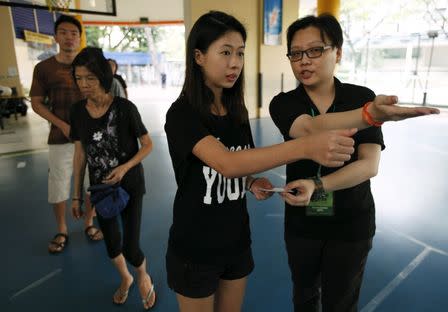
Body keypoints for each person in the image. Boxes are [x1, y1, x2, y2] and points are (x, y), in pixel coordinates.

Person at [164, 11, 366, 312]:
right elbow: (226, 163)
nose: (235, 62)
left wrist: (252, 181)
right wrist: (305, 147)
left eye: (240, 53)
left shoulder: (236, 112)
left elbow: (242, 165)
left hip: (236, 241)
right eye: (225, 52)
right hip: (196, 248)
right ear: (199, 56)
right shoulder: (182, 115)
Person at [269, 14, 439, 312]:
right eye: (296, 53)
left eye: (315, 50)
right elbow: (309, 129)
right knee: (304, 295)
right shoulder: (284, 103)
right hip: (302, 223)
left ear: (338, 52)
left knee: (341, 302)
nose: (304, 61)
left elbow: (368, 165)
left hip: (351, 223)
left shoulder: (361, 97)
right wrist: (367, 116)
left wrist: (318, 184)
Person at [70, 47, 156, 309]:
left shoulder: (125, 109)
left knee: (131, 247)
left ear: (103, 77)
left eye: (90, 78)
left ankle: (142, 275)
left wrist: (125, 167)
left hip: (130, 185)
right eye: (78, 78)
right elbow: (80, 154)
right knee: (111, 245)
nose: (83, 84)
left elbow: (148, 145)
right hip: (101, 189)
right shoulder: (77, 112)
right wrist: (76, 195)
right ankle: (126, 278)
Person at [30, 14, 103, 254]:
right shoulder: (44, 68)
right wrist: (61, 124)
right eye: (64, 32)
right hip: (61, 139)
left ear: (80, 37)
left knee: (92, 183)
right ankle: (61, 228)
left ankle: (89, 223)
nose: (69, 37)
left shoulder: (89, 67)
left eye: (74, 33)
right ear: (56, 36)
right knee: (59, 184)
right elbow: (37, 103)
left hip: (92, 138)